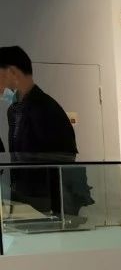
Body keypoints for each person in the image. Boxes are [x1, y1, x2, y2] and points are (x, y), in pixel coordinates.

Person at [0, 45, 89, 216]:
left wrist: (61, 209)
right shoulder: (14, 109)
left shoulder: (46, 108)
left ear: (12, 72)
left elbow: (65, 160)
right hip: (25, 198)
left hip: (46, 202)